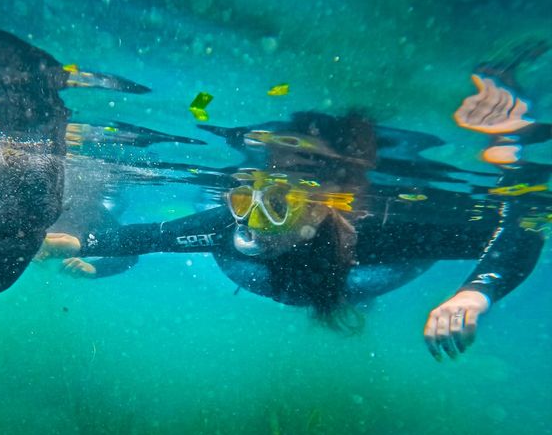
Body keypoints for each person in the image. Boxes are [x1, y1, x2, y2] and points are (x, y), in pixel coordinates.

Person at [41, 85, 547, 361]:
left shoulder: (378, 231)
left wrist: (473, 294)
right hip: (318, 279)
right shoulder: (231, 226)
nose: (252, 211)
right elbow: (153, 236)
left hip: (359, 271)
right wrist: (75, 240)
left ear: (321, 209)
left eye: (278, 203)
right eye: (244, 195)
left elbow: (520, 228)